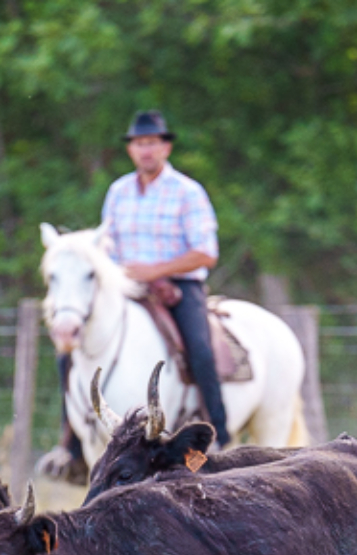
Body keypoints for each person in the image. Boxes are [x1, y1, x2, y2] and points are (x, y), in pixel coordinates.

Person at [47, 109, 227, 480]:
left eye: (152, 143)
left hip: (180, 286)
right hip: (125, 287)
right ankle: (71, 447)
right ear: (131, 150)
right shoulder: (118, 192)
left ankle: (220, 436)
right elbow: (105, 249)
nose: (146, 150)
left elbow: (206, 252)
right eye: (139, 144)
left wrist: (156, 271)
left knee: (200, 348)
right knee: (70, 350)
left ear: (165, 147)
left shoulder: (187, 192)